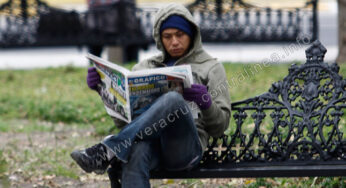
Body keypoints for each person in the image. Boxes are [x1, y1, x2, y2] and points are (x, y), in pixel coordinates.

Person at [71, 3, 231, 187]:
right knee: (136, 149)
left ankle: (107, 150)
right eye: (167, 36)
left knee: (173, 99)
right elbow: (124, 124)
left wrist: (206, 103)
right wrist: (103, 89)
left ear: (192, 35)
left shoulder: (211, 67)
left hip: (183, 150)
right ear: (159, 38)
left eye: (180, 35)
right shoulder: (144, 68)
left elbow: (221, 127)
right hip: (150, 145)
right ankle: (112, 150)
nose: (175, 42)